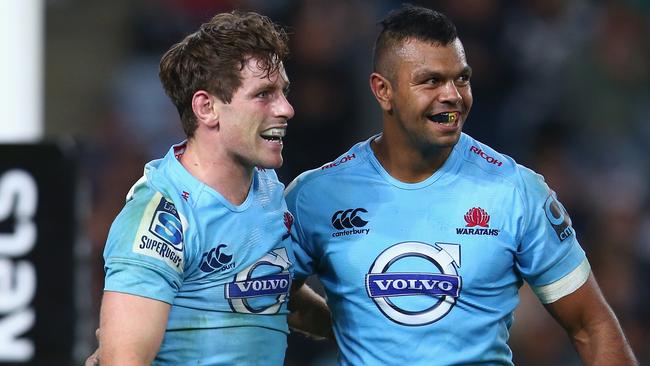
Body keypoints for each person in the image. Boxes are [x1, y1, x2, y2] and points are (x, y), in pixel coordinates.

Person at [285, 5, 638, 365]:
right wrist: (339, 325)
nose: (453, 95)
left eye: (462, 78)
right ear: (383, 91)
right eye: (431, 81)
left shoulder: (516, 191)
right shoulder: (316, 195)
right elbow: (268, 289)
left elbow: (592, 327)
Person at [95, 10, 329, 365]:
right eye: (264, 94)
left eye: (284, 91)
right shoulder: (163, 218)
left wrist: (372, 324)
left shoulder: (266, 188)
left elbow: (271, 291)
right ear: (207, 108)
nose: (287, 108)